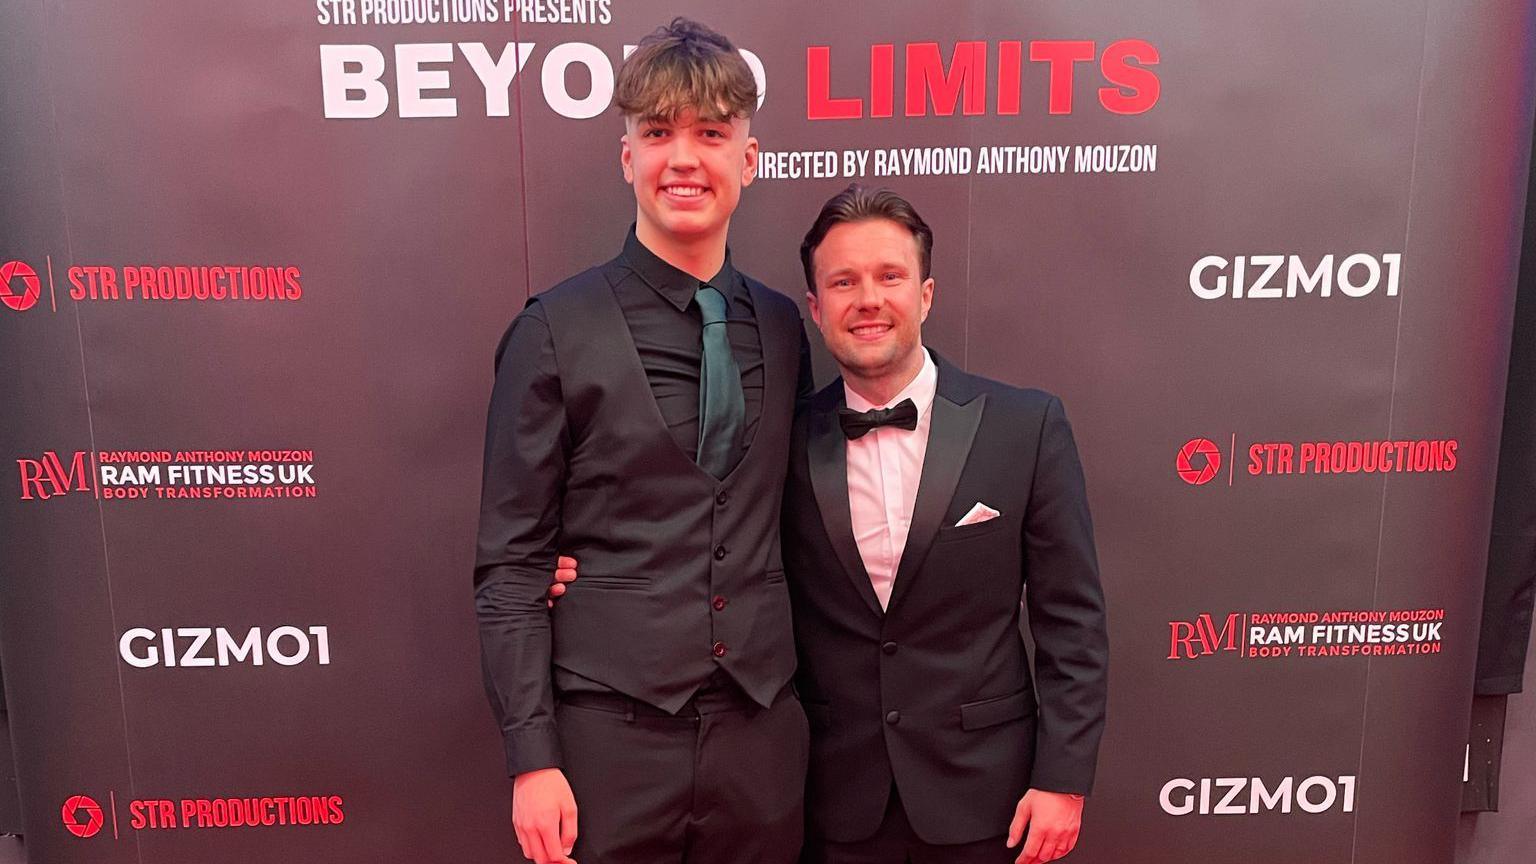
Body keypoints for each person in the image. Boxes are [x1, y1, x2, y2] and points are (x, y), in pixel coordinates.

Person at [554, 185, 1109, 864]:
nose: (868, 299)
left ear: (926, 294)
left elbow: (1071, 623)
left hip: (987, 801)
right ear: (815, 309)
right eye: (843, 282)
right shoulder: (777, 442)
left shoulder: (1027, 426)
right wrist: (572, 574)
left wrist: (1063, 780)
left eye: (889, 276)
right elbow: (705, 540)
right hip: (832, 804)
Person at [474, 18, 812, 864]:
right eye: (658, 133)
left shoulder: (782, 326)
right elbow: (511, 563)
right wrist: (533, 758)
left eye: (710, 133)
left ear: (750, 157)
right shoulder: (552, 328)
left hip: (762, 736)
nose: (684, 159)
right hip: (606, 742)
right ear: (628, 158)